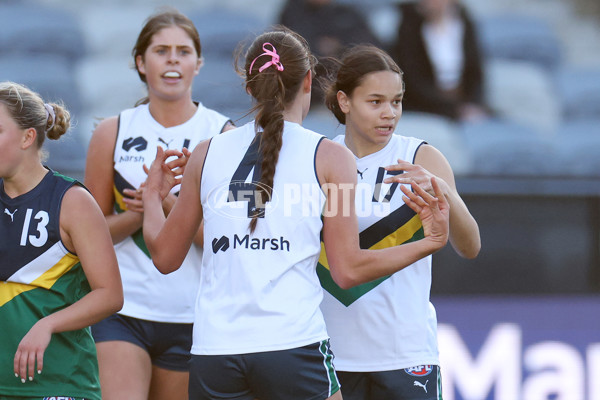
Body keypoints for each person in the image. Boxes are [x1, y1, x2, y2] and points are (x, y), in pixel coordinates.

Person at [140, 27, 450, 400]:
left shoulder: (206, 154)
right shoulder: (331, 158)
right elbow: (348, 270)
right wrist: (429, 242)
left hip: (215, 351)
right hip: (292, 345)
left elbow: (164, 257)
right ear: (308, 81)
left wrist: (153, 199)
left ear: (249, 86)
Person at [84, 9, 234, 400]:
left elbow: (230, 241)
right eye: (161, 50)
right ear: (140, 62)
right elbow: (89, 234)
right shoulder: (111, 131)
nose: (172, 59)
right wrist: (140, 210)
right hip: (121, 310)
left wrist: (168, 203)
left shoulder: (222, 134)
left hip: (193, 316)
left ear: (198, 64)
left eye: (183, 51)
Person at [318, 44, 481, 399]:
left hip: (407, 352)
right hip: (331, 352)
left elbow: (470, 247)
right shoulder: (318, 158)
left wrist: (443, 192)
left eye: (397, 101)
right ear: (344, 102)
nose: (389, 113)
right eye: (375, 102)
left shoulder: (422, 156)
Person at [0, 81, 123, 399]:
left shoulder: (72, 200)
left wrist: (47, 325)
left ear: (28, 137)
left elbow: (110, 295)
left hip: (59, 383)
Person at [390, 0, 490, 122]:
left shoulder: (463, 21)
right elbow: (412, 78)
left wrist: (473, 103)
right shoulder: (409, 25)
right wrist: (453, 108)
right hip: (425, 104)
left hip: (463, 100)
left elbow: (475, 70)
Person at [278, 0, 381, 106]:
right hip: (307, 93)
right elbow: (286, 47)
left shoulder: (346, 14)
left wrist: (340, 47)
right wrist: (319, 50)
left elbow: (371, 47)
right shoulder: (293, 14)